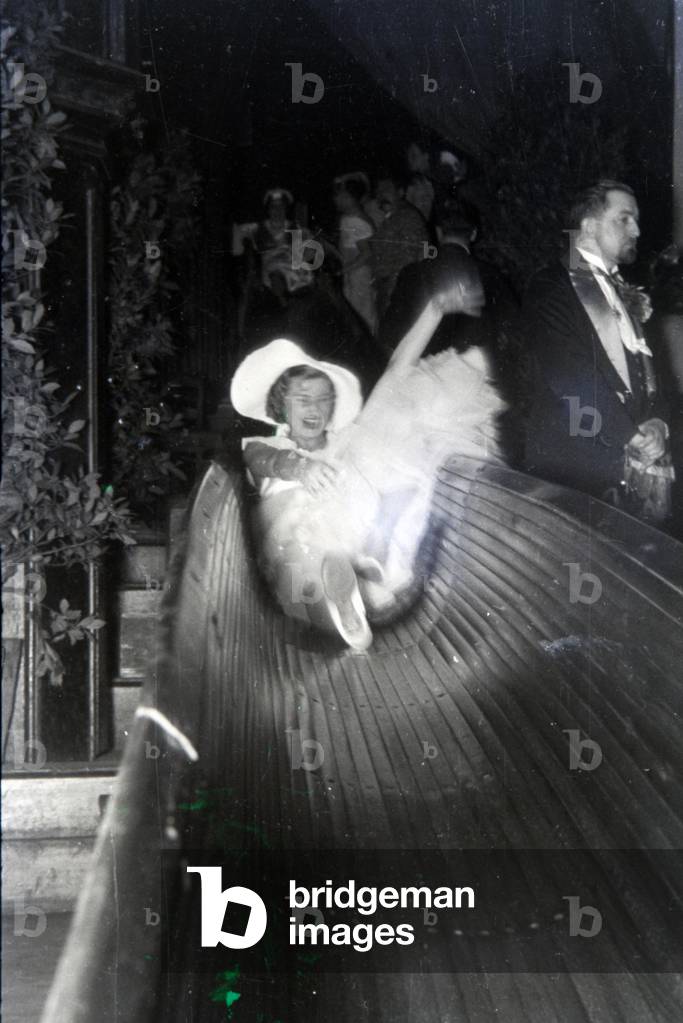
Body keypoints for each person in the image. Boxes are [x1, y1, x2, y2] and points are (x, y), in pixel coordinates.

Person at [230, 264, 506, 650]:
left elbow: (397, 371)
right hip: (291, 550)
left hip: (347, 542)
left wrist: (436, 309)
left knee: (389, 435)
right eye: (303, 399)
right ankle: (338, 594)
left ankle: (356, 586)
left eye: (324, 399)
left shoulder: (344, 441)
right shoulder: (268, 447)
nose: (315, 408)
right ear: (280, 404)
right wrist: (301, 466)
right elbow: (262, 462)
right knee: (305, 554)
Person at [523, 180, 674, 522]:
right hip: (576, 464)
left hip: (629, 462)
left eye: (635, 220)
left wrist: (657, 423)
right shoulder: (551, 286)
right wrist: (629, 436)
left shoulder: (624, 291)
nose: (636, 229)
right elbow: (568, 377)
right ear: (589, 227)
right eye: (624, 219)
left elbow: (652, 372)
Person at [370, 171, 430, 319]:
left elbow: (409, 259)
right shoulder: (393, 217)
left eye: (386, 190)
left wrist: (391, 291)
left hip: (396, 292)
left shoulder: (406, 217)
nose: (381, 196)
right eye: (378, 191)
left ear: (401, 192)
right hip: (389, 289)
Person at [333, 172, 377, 334]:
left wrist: (342, 270)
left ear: (349, 197)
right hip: (353, 274)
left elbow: (367, 254)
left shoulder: (356, 221)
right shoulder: (348, 218)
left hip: (359, 276)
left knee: (362, 316)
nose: (335, 199)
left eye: (339, 195)